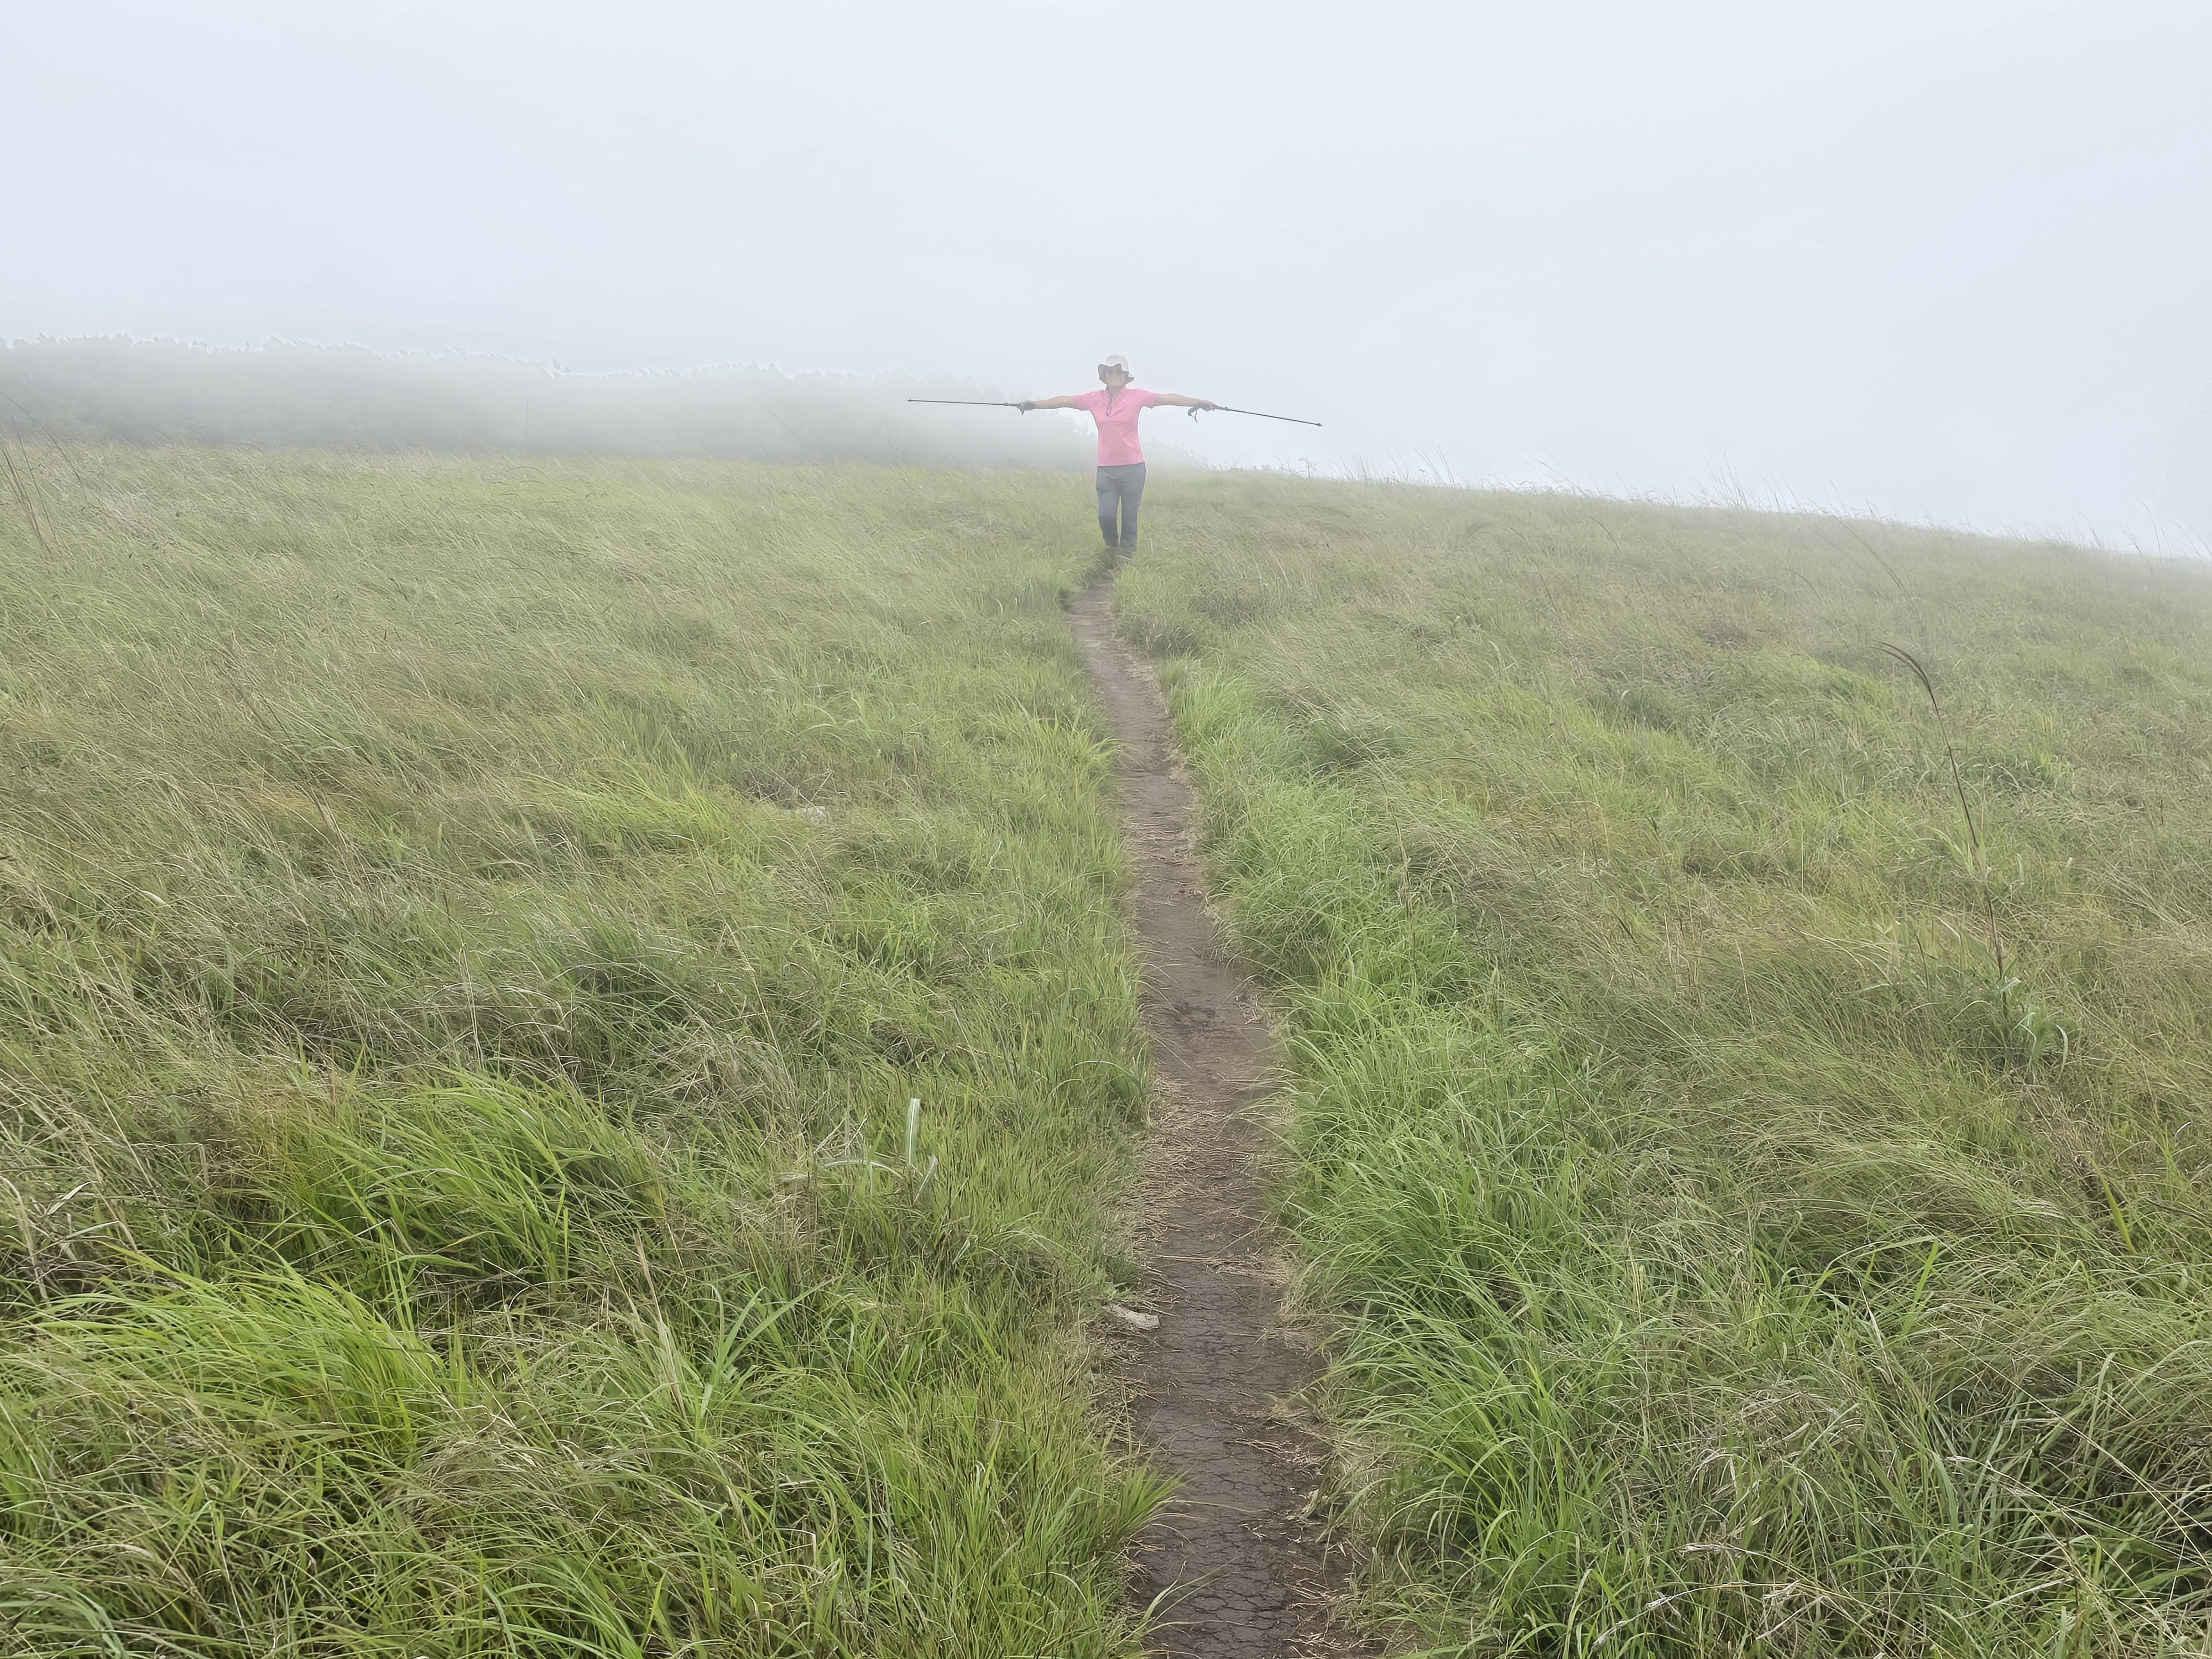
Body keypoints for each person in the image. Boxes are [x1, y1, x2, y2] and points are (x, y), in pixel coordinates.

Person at [1019, 356, 1217, 559]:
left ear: (1125, 376)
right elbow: (1066, 401)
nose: (1114, 375)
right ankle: (1112, 547)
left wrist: (1198, 402)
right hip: (1106, 469)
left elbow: (1167, 398)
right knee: (1106, 516)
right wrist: (1035, 404)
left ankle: (1125, 560)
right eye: (1110, 371)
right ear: (1104, 376)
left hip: (1133, 468)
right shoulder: (1094, 399)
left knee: (1130, 519)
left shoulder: (1137, 397)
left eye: (1118, 371)